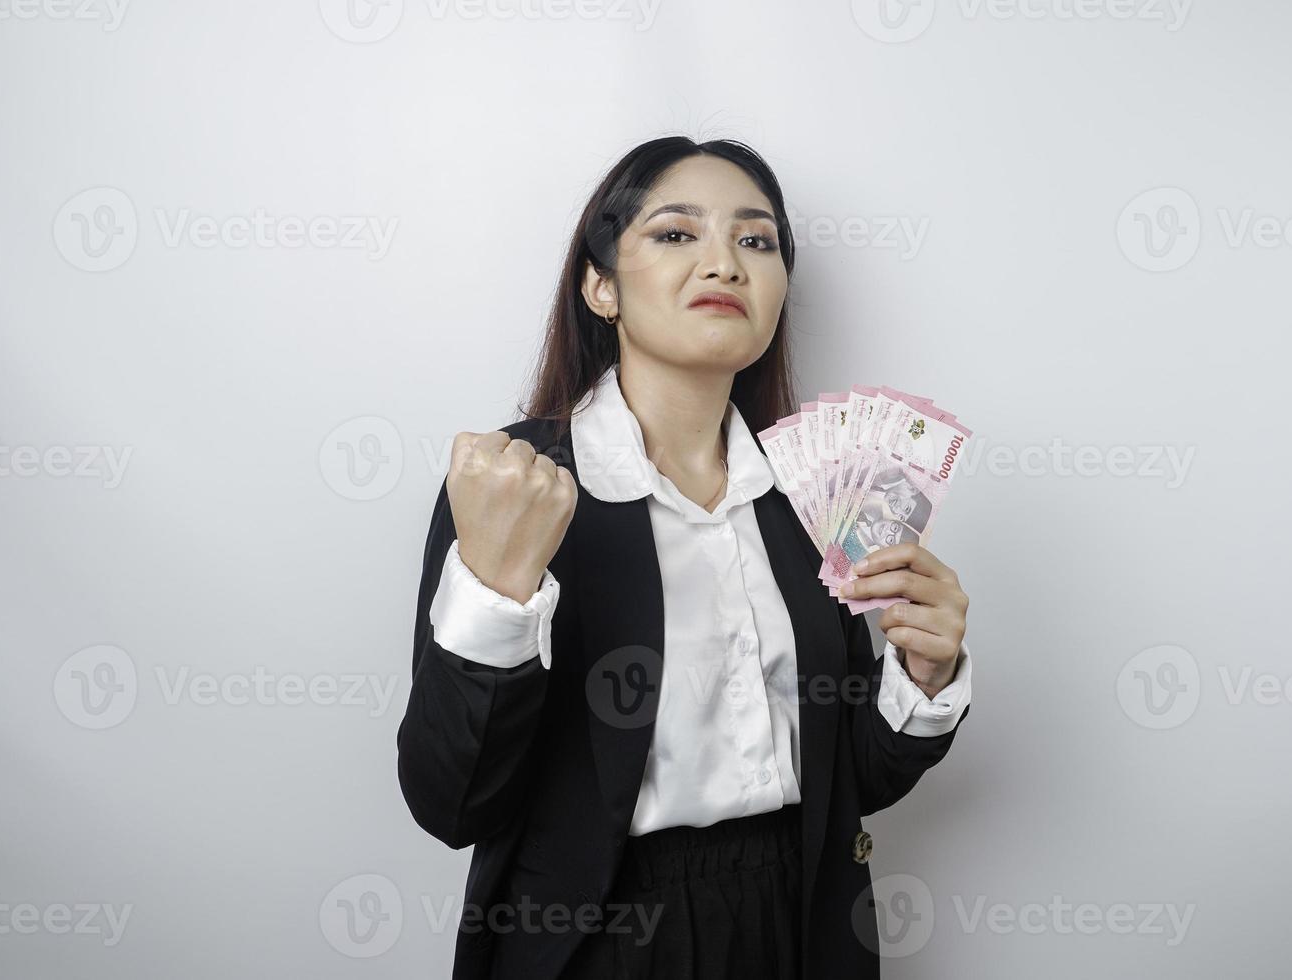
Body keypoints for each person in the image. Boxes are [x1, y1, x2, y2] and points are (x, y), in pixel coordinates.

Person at [396, 136, 974, 980]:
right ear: (600, 286)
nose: (726, 264)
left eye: (756, 240)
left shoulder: (816, 499)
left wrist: (923, 676)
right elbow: (453, 801)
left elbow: (851, 783)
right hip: (596, 937)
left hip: (802, 925)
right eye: (676, 234)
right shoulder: (517, 489)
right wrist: (495, 592)